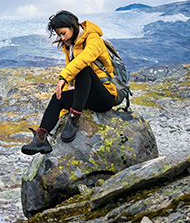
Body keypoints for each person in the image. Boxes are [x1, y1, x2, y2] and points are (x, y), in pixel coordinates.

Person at [21, 10, 118, 155]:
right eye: (59, 34)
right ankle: (41, 139)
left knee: (83, 69)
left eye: (63, 33)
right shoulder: (70, 46)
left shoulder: (93, 38)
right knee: (58, 97)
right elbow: (72, 80)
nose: (62, 37)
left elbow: (84, 59)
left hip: (104, 96)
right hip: (85, 95)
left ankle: (74, 118)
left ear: (73, 26)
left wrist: (63, 78)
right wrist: (62, 109)